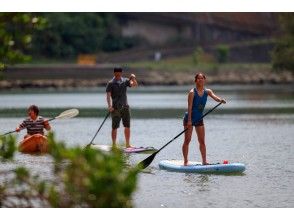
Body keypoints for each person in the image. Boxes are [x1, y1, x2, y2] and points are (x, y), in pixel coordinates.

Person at [182, 72, 226, 166]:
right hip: (189, 118)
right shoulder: (192, 93)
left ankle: (204, 161)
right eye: (198, 78)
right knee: (187, 140)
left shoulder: (208, 91)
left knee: (202, 141)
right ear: (195, 80)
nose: (200, 80)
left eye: (202, 78)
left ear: (204, 80)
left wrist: (220, 100)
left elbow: (215, 97)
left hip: (199, 118)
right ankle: (185, 161)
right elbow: (189, 107)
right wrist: (189, 121)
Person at [106, 67, 138, 148]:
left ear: (121, 73)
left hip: (125, 107)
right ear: (114, 73)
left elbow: (134, 85)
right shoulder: (110, 83)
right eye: (116, 73)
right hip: (115, 108)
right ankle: (114, 145)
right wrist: (109, 106)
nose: (118, 75)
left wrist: (133, 78)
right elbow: (108, 96)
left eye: (119, 73)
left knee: (127, 126)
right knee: (114, 127)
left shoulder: (125, 81)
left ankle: (127, 144)